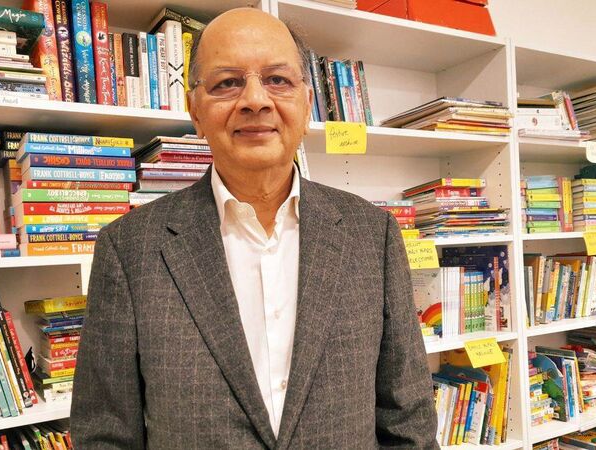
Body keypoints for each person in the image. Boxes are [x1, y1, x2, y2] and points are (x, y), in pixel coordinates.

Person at [71, 7, 438, 449]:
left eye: (277, 80)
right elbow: (105, 433)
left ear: (306, 104)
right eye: (227, 82)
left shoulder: (372, 234)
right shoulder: (128, 248)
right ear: (195, 111)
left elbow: (407, 420)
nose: (255, 100)